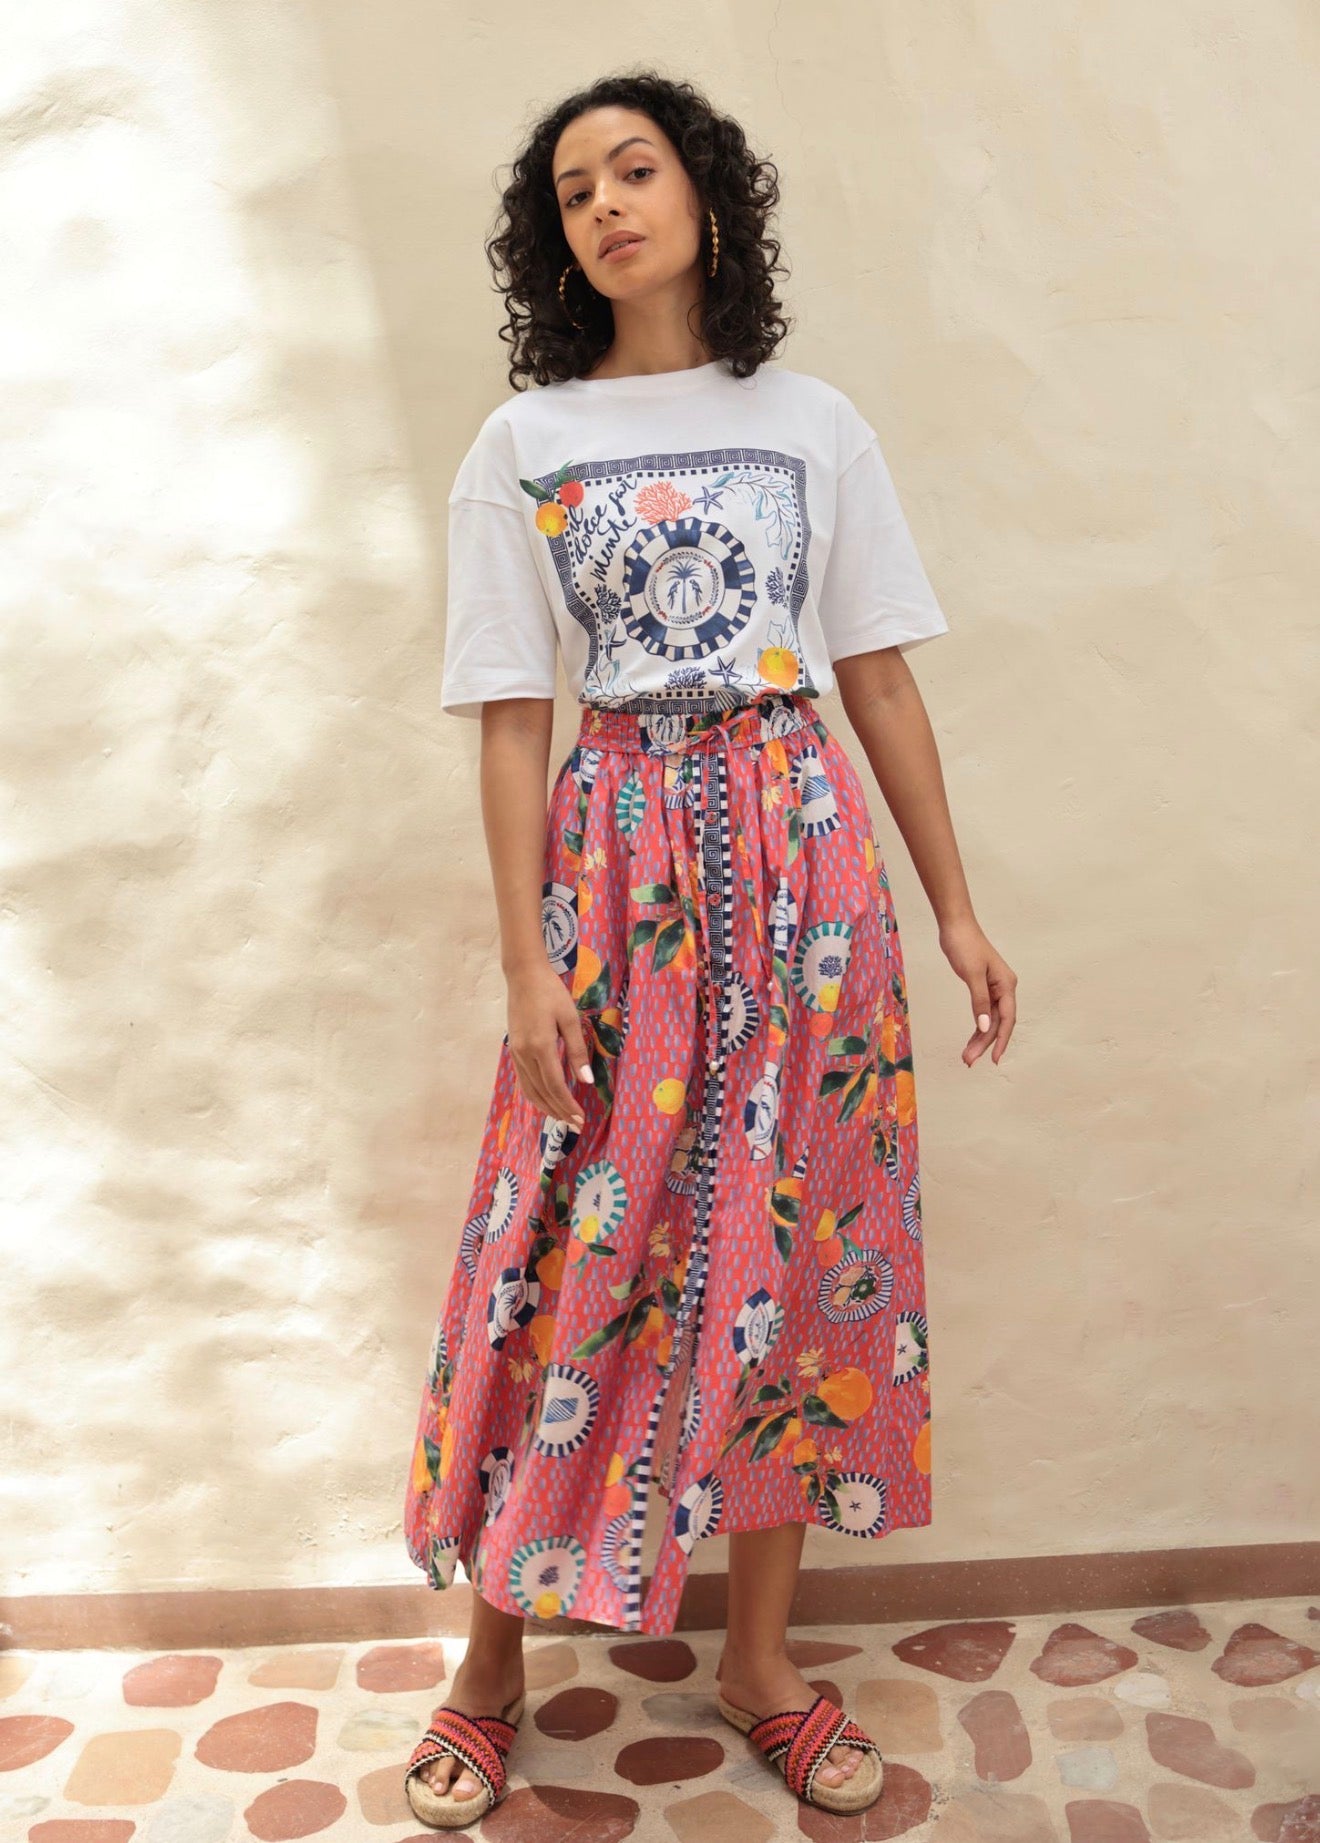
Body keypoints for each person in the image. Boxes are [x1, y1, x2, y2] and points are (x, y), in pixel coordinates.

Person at [402, 68, 1017, 1830]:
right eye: (574, 189)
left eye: (636, 169)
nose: (607, 204)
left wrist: (953, 906)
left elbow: (875, 671)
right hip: (614, 876)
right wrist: (526, 964)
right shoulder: (524, 445)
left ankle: (761, 1664)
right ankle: (489, 1667)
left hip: (806, 869)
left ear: (706, 195)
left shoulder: (813, 420)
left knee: (798, 1244)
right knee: (561, 1234)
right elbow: (511, 715)